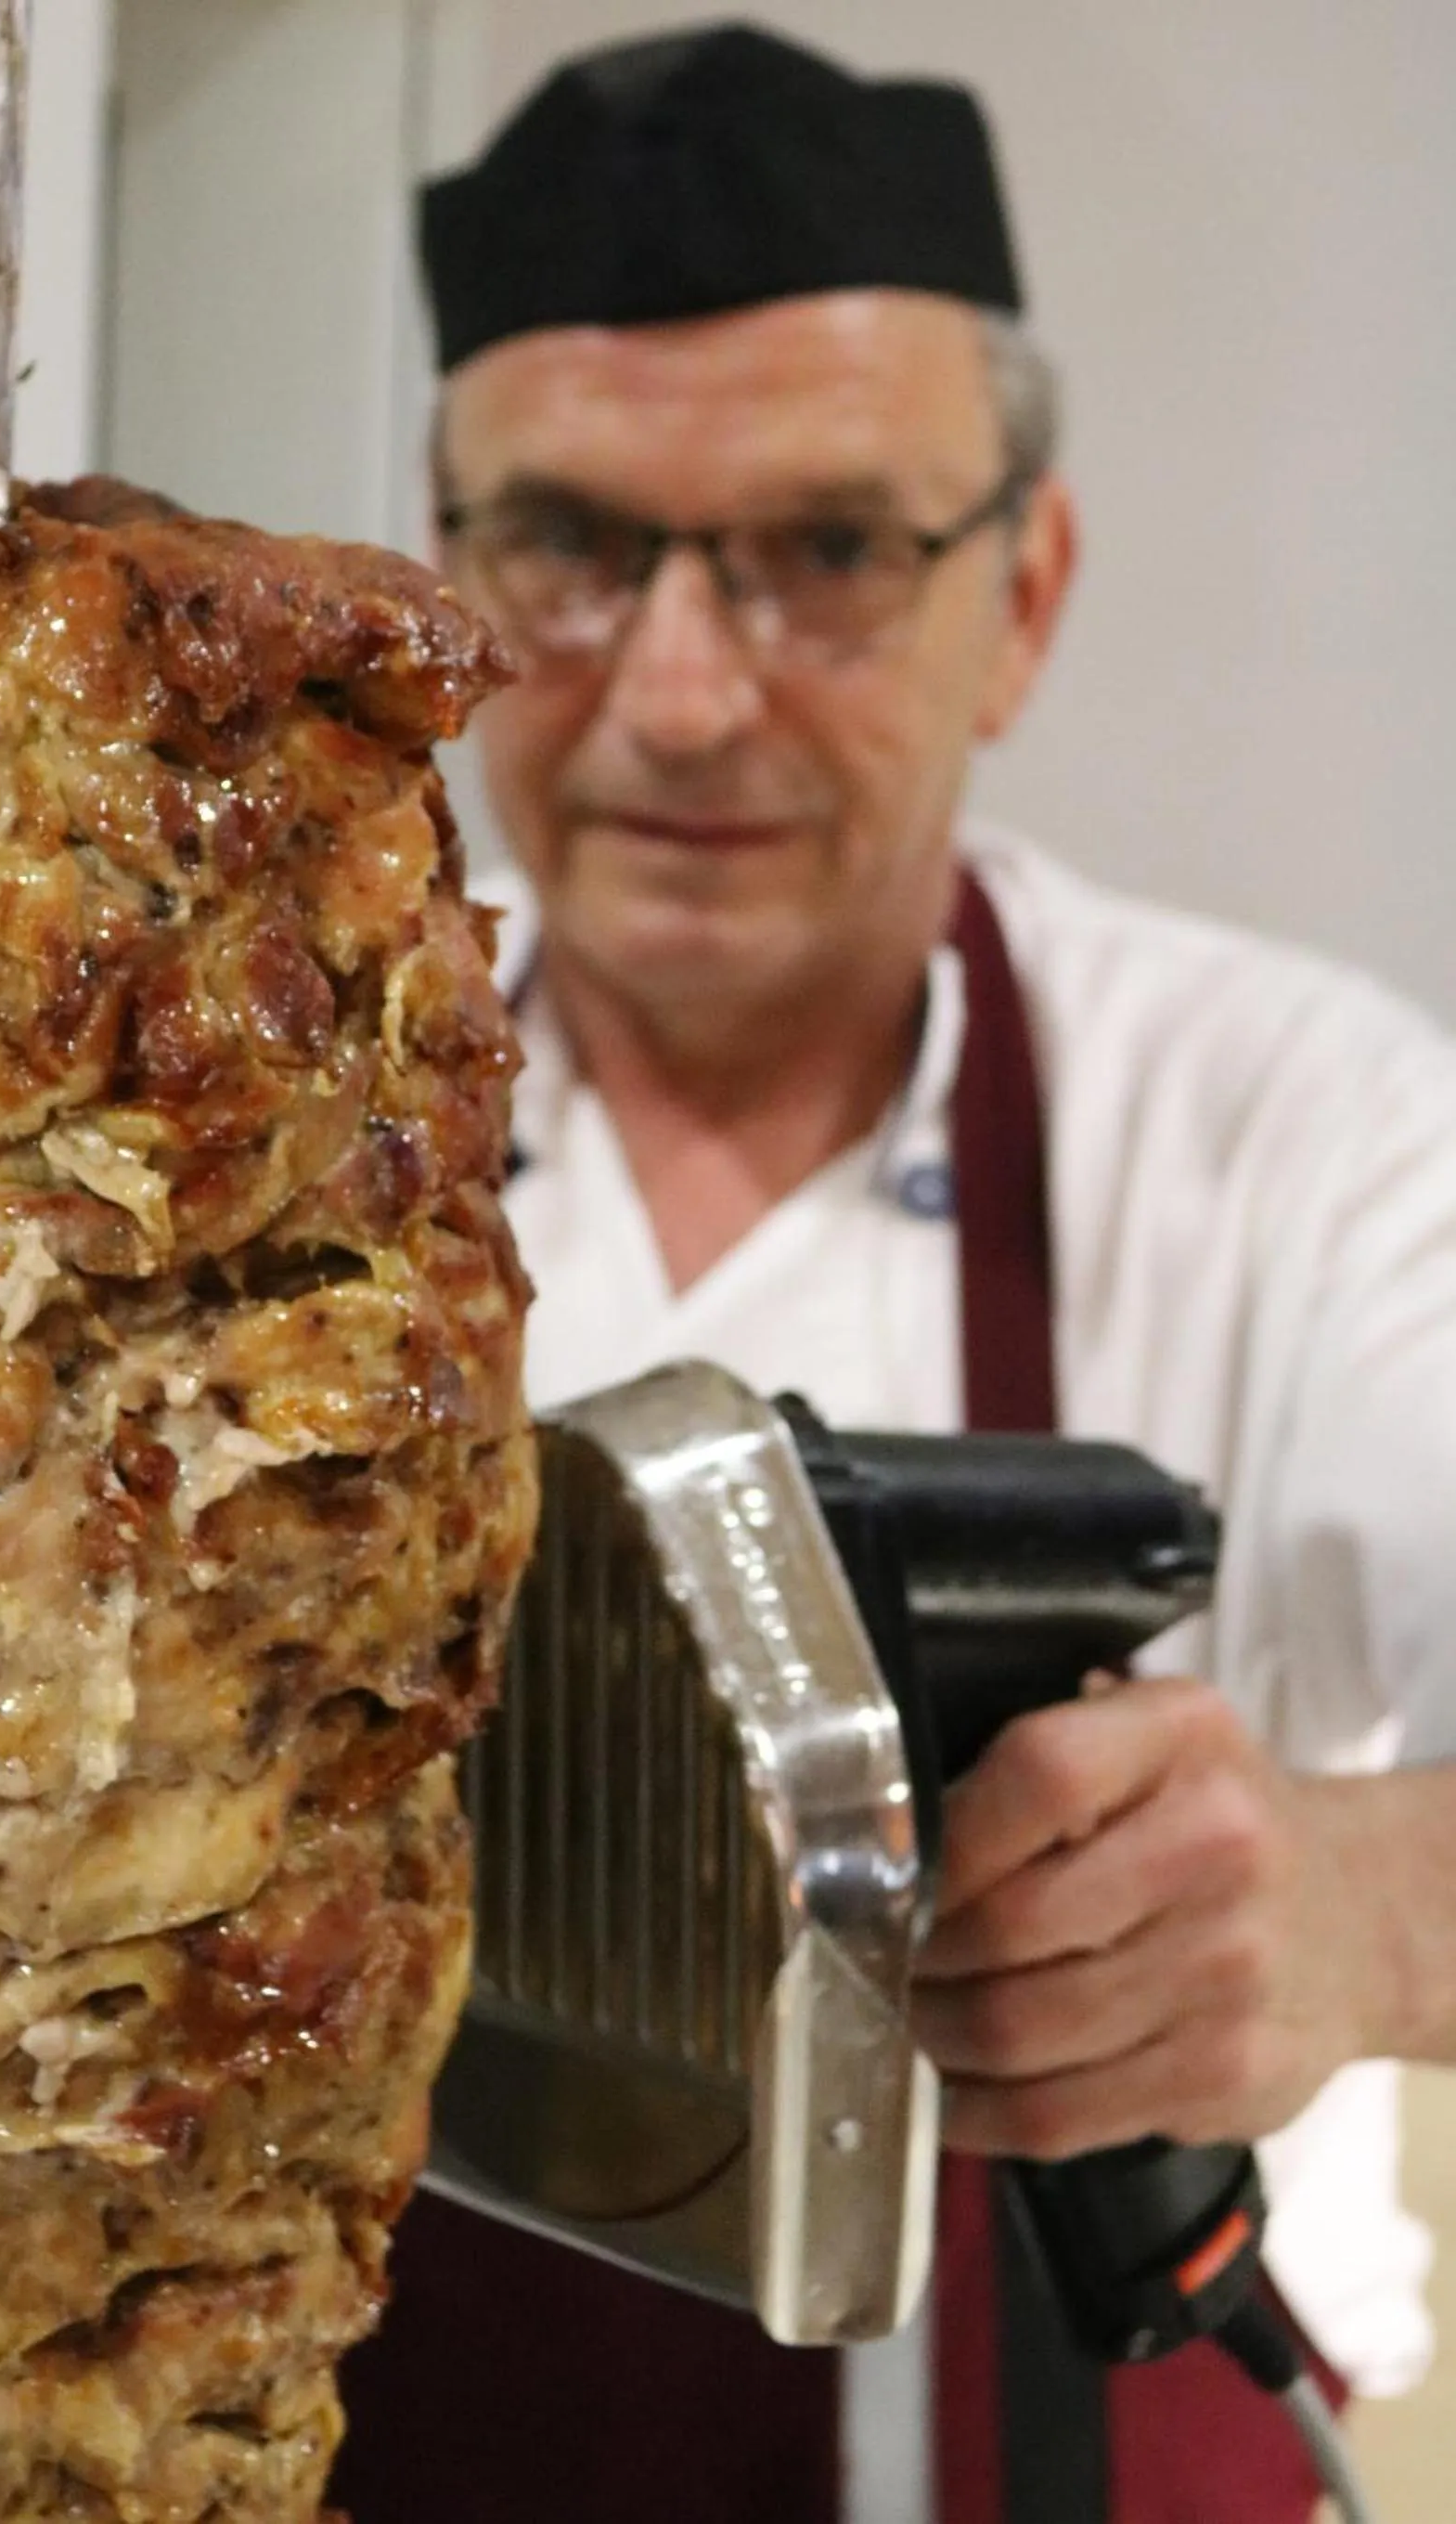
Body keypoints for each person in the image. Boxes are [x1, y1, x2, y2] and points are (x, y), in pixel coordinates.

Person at [329, 22, 1456, 2524]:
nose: (679, 690)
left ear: (1018, 593)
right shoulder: (274, 1138)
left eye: (824, 551)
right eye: (566, 548)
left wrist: (1361, 1913)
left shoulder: (1285, 1131)